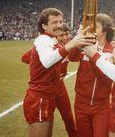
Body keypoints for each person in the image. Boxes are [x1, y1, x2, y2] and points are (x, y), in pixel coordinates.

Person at [22, 8, 95, 137]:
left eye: (60, 21)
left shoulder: (53, 41)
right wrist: (71, 44)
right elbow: (46, 61)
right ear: (44, 26)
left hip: (49, 95)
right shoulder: (43, 39)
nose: (59, 25)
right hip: (40, 97)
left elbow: (73, 56)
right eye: (54, 22)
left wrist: (78, 39)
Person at [21, 23, 76, 137]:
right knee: (46, 118)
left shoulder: (69, 47)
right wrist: (42, 68)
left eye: (67, 34)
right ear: (56, 36)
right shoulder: (51, 49)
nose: (65, 37)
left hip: (60, 86)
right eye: (61, 35)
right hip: (46, 87)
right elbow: (24, 58)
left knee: (68, 117)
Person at [68, 13, 115, 137]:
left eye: (96, 26)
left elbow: (105, 78)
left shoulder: (112, 51)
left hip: (101, 106)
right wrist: (78, 39)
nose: (91, 29)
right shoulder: (84, 45)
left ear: (105, 30)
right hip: (81, 103)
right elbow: (72, 57)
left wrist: (93, 56)